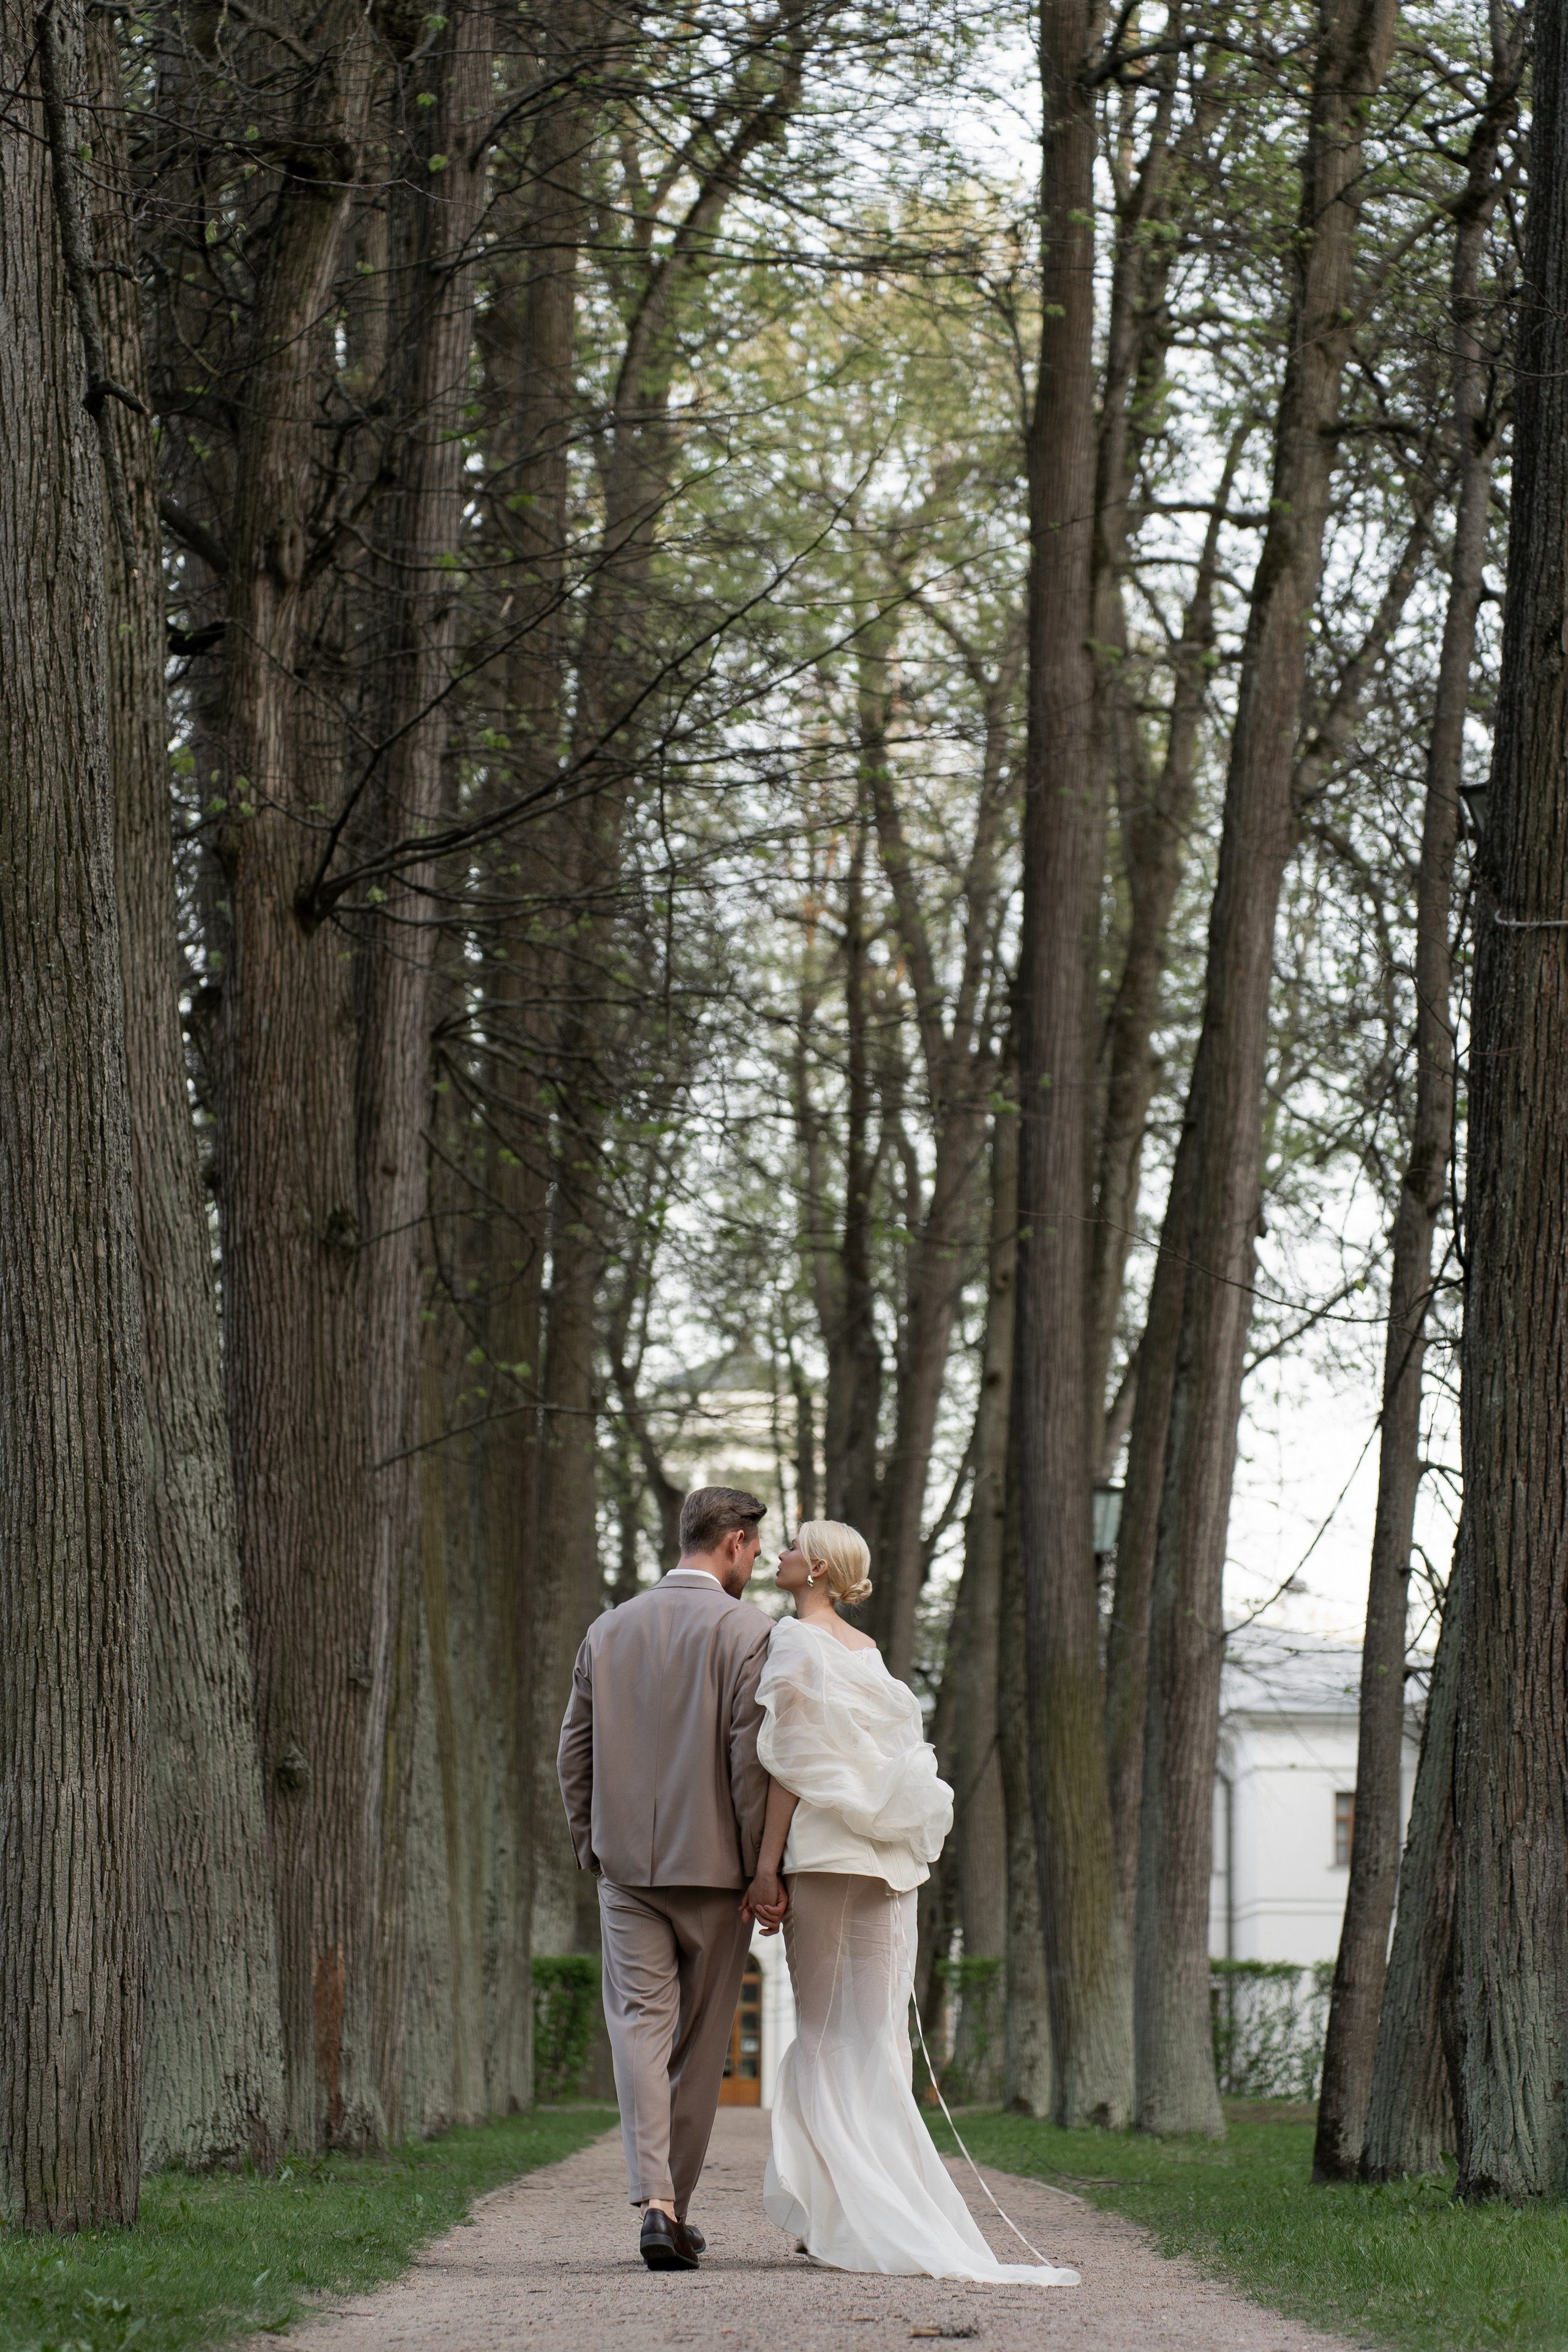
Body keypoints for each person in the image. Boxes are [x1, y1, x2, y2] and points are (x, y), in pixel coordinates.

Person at [743, 1520, 1079, 2287]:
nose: (780, 1554)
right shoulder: (872, 1655)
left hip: (828, 1855)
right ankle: (874, 2207)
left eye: (792, 1545)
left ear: (819, 1568)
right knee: (880, 2040)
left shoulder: (793, 1643)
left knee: (825, 2037)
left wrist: (765, 1870)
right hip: (891, 1859)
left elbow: (787, 1766)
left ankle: (844, 2216)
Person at [557, 1484, 772, 2272]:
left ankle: (656, 2204)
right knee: (698, 2041)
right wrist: (762, 1870)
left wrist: (592, 1843)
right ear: (734, 1544)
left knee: (639, 2032)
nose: (755, 1561)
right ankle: (671, 2208)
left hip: (627, 1873)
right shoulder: (748, 1631)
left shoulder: (608, 1629)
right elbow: (750, 1766)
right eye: (754, 1548)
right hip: (715, 1873)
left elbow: (572, 1754)